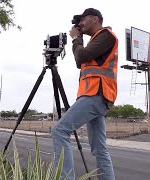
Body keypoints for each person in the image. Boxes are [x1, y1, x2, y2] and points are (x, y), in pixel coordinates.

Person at [51, 8, 118, 180]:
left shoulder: (106, 35)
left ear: (95, 19)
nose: (79, 24)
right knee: (99, 148)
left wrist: (75, 38)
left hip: (96, 95)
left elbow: (81, 56)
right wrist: (78, 40)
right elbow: (80, 60)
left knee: (60, 131)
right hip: (95, 96)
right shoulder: (94, 41)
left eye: (83, 19)